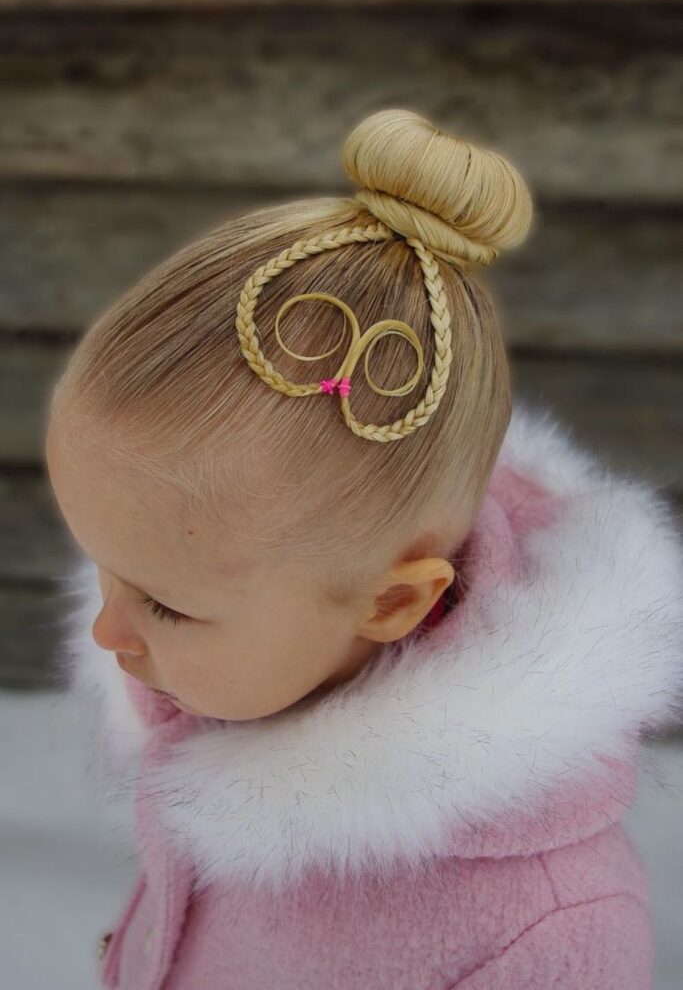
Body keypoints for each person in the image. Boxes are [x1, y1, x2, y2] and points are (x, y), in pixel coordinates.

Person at [44, 108, 682, 989]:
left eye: (165, 605)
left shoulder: (541, 940)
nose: (106, 633)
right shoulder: (243, 665)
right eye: (104, 568)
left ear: (392, 601)